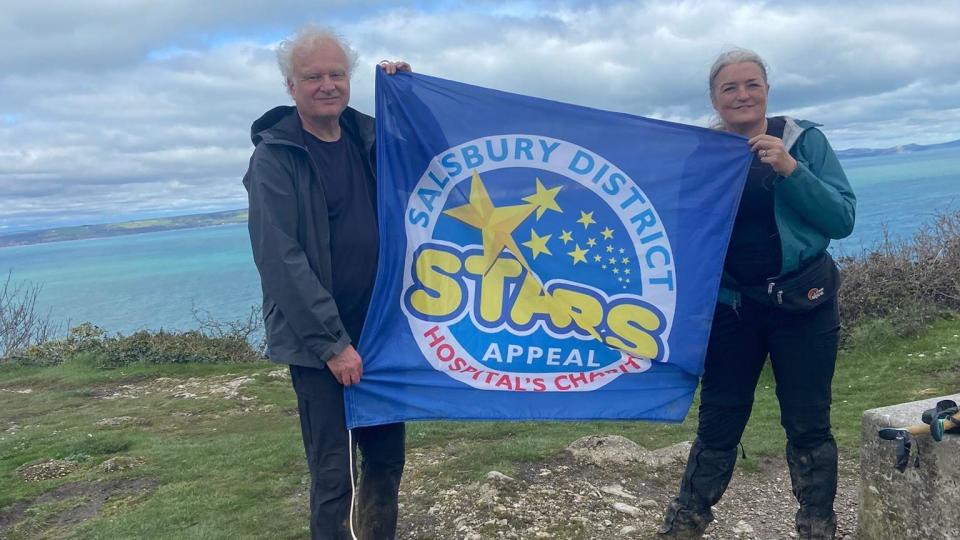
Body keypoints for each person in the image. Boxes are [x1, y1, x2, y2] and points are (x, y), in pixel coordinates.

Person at [658, 48, 856, 539]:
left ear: (767, 90)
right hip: (732, 309)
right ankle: (686, 522)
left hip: (804, 303)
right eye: (730, 88)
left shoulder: (803, 141)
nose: (742, 95)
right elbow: (680, 229)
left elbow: (842, 220)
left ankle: (817, 525)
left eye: (752, 84)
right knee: (720, 421)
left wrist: (792, 169)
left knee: (808, 420)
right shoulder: (702, 154)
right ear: (715, 98)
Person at [242, 24, 410, 539]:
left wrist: (407, 93)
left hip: (379, 335)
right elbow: (280, 258)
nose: (327, 85)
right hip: (321, 347)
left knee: (383, 466)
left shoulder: (369, 139)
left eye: (337, 74)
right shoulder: (275, 157)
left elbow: (437, 162)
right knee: (334, 477)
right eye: (312, 76)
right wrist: (332, 344)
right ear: (291, 87)